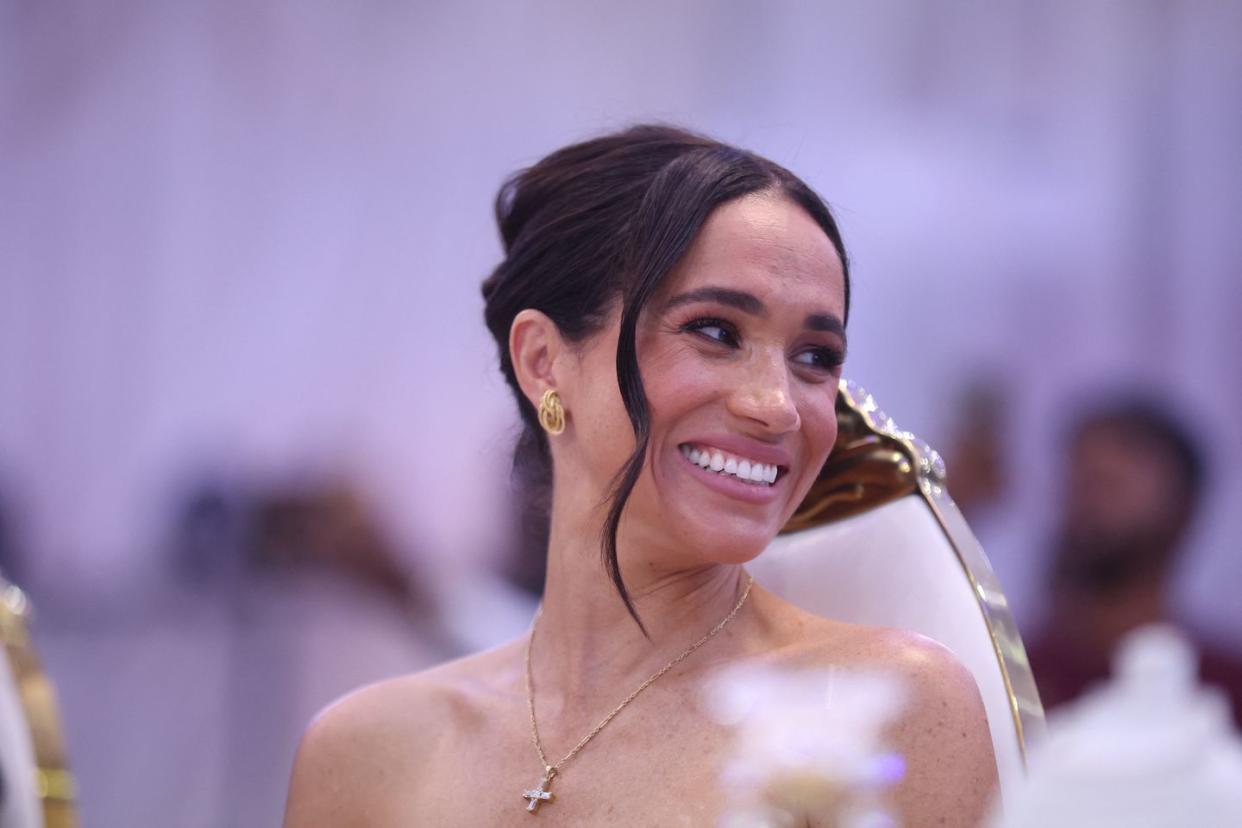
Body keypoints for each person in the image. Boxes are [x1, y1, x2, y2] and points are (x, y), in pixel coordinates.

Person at [283, 125, 998, 826]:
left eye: (814, 356)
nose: (777, 406)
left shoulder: (886, 710)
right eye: (716, 332)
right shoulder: (361, 755)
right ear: (543, 361)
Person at [1026, 398, 1242, 724]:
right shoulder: (1022, 675)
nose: (1089, 508)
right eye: (1080, 485)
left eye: (1112, 485)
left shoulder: (1224, 688)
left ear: (1182, 509)